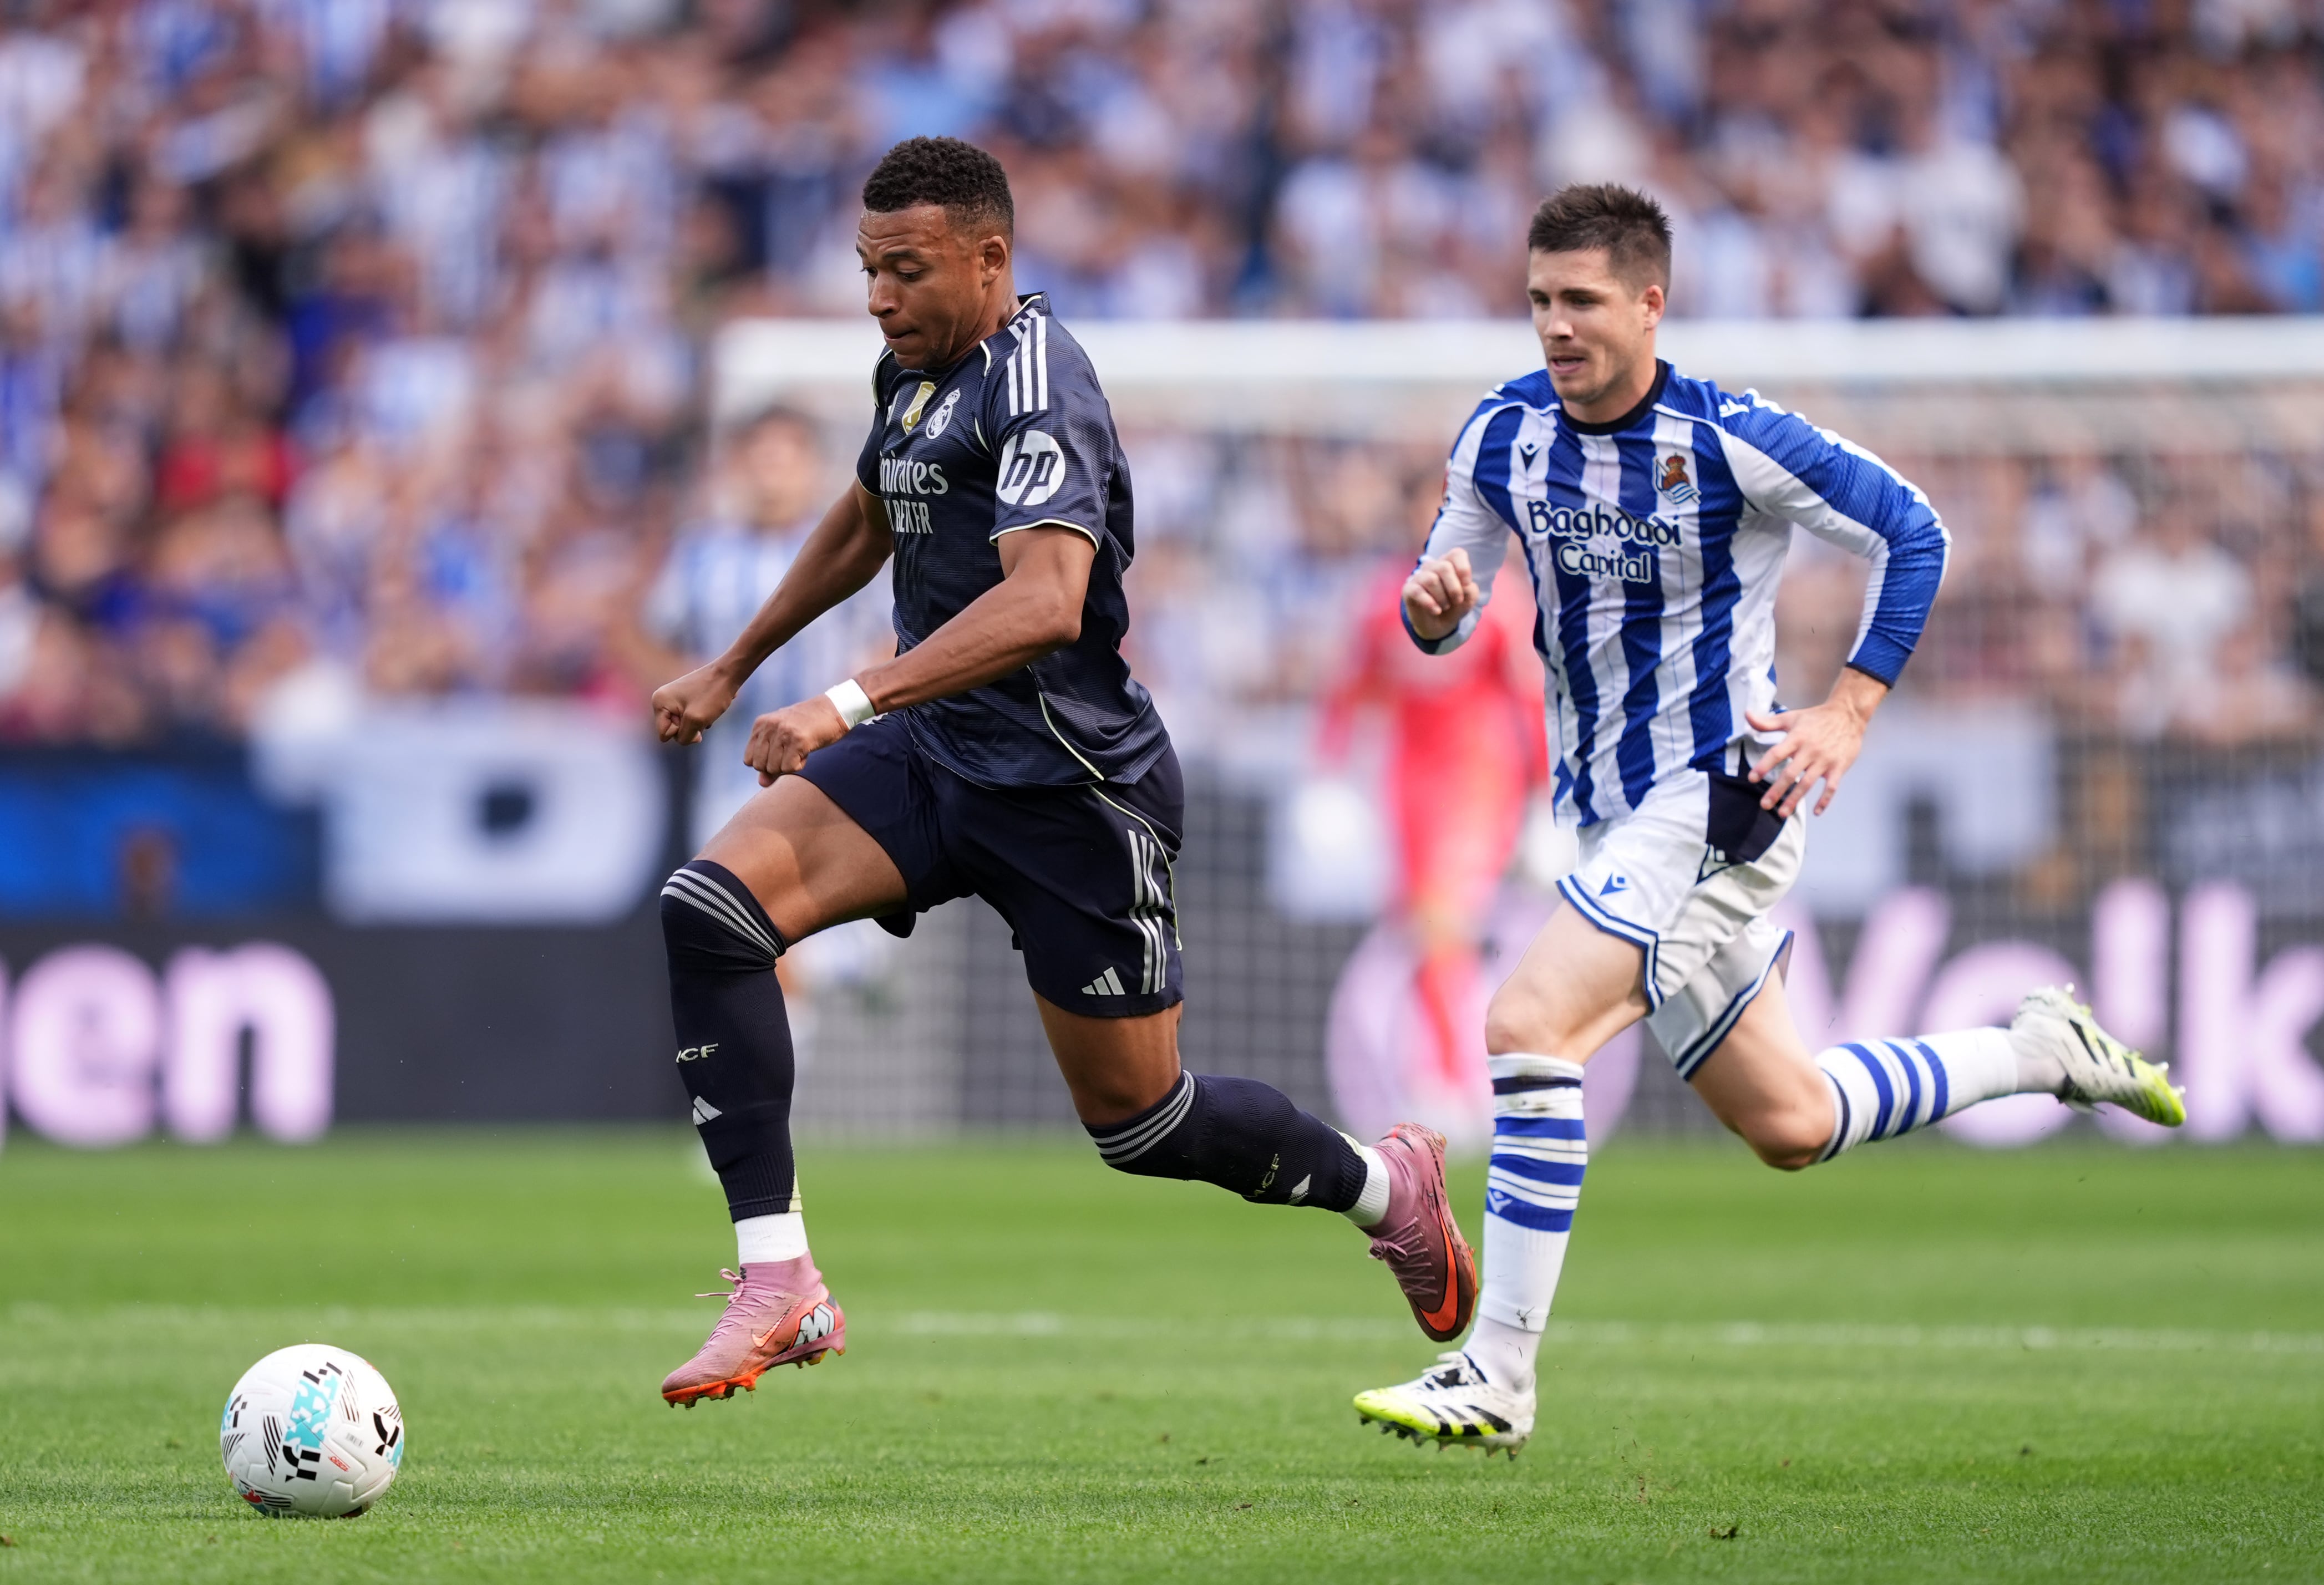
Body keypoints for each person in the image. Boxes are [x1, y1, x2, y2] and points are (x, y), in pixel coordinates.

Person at [1351, 184, 2185, 1456]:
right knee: (1791, 1121)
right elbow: (1442, 596)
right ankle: (2037, 1050)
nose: (1556, 325)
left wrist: (1849, 707)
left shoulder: (1730, 439)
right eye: (1539, 301)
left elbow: (1914, 530)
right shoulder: (1501, 434)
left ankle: (1498, 1373)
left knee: (1527, 1027)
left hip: (1719, 796)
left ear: (1649, 303)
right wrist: (1435, 613)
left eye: (1582, 301)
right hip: (1604, 816)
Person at [645, 136, 1473, 1408]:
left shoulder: (1042, 381)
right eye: (868, 270)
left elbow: (1046, 601)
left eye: (905, 270)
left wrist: (844, 697)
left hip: (1069, 787)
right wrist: (733, 663)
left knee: (1144, 1124)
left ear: (989, 258)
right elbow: (871, 514)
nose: (879, 297)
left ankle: (1386, 1185)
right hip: (934, 750)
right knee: (712, 911)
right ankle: (779, 1279)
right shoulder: (912, 369)